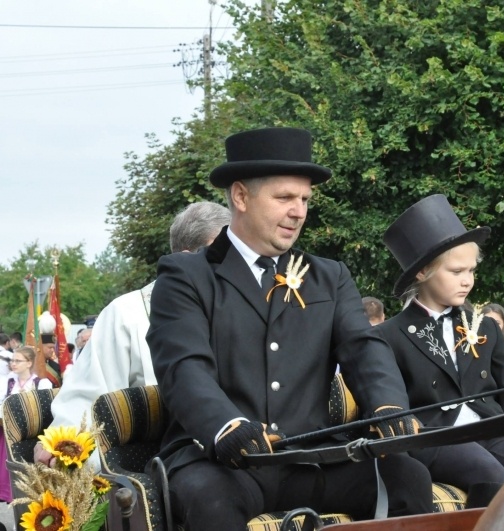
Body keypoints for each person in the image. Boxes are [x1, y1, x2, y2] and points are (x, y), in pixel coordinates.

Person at [146, 127, 433, 530]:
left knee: (406, 476)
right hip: (222, 461)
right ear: (241, 196)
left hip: (311, 457)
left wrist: (388, 406)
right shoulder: (185, 276)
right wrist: (226, 425)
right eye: (284, 198)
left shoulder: (329, 276)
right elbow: (183, 366)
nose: (299, 212)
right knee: (210, 501)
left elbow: (364, 348)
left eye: (304, 200)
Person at [377, 194, 504, 508]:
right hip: (435, 437)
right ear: (422, 271)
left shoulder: (485, 327)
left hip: (492, 429)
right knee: (489, 475)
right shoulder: (388, 336)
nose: (467, 281)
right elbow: (393, 404)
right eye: (456, 272)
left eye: (471, 271)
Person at [34, 201, 232, 468]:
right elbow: (88, 400)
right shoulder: (127, 314)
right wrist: (66, 444)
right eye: (223, 258)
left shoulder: (243, 309)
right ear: (188, 257)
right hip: (161, 468)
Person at [1, 346, 54, 502]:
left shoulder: (41, 383)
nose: (13, 363)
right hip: (7, 432)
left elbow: (45, 410)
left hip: (30, 434)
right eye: (12, 360)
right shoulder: (7, 382)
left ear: (29, 363)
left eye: (18, 361)